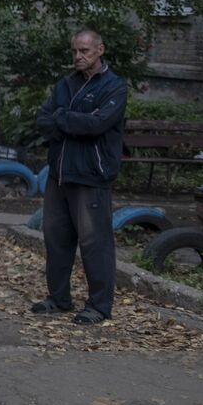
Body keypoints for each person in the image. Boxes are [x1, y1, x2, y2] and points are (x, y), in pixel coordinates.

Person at [32, 29, 128, 325]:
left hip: (91, 177)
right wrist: (70, 121)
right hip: (59, 175)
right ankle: (58, 299)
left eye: (84, 51)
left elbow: (97, 125)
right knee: (56, 239)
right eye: (75, 51)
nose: (78, 56)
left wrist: (63, 119)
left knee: (94, 243)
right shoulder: (65, 85)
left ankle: (99, 306)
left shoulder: (114, 87)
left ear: (100, 50)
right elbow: (42, 119)